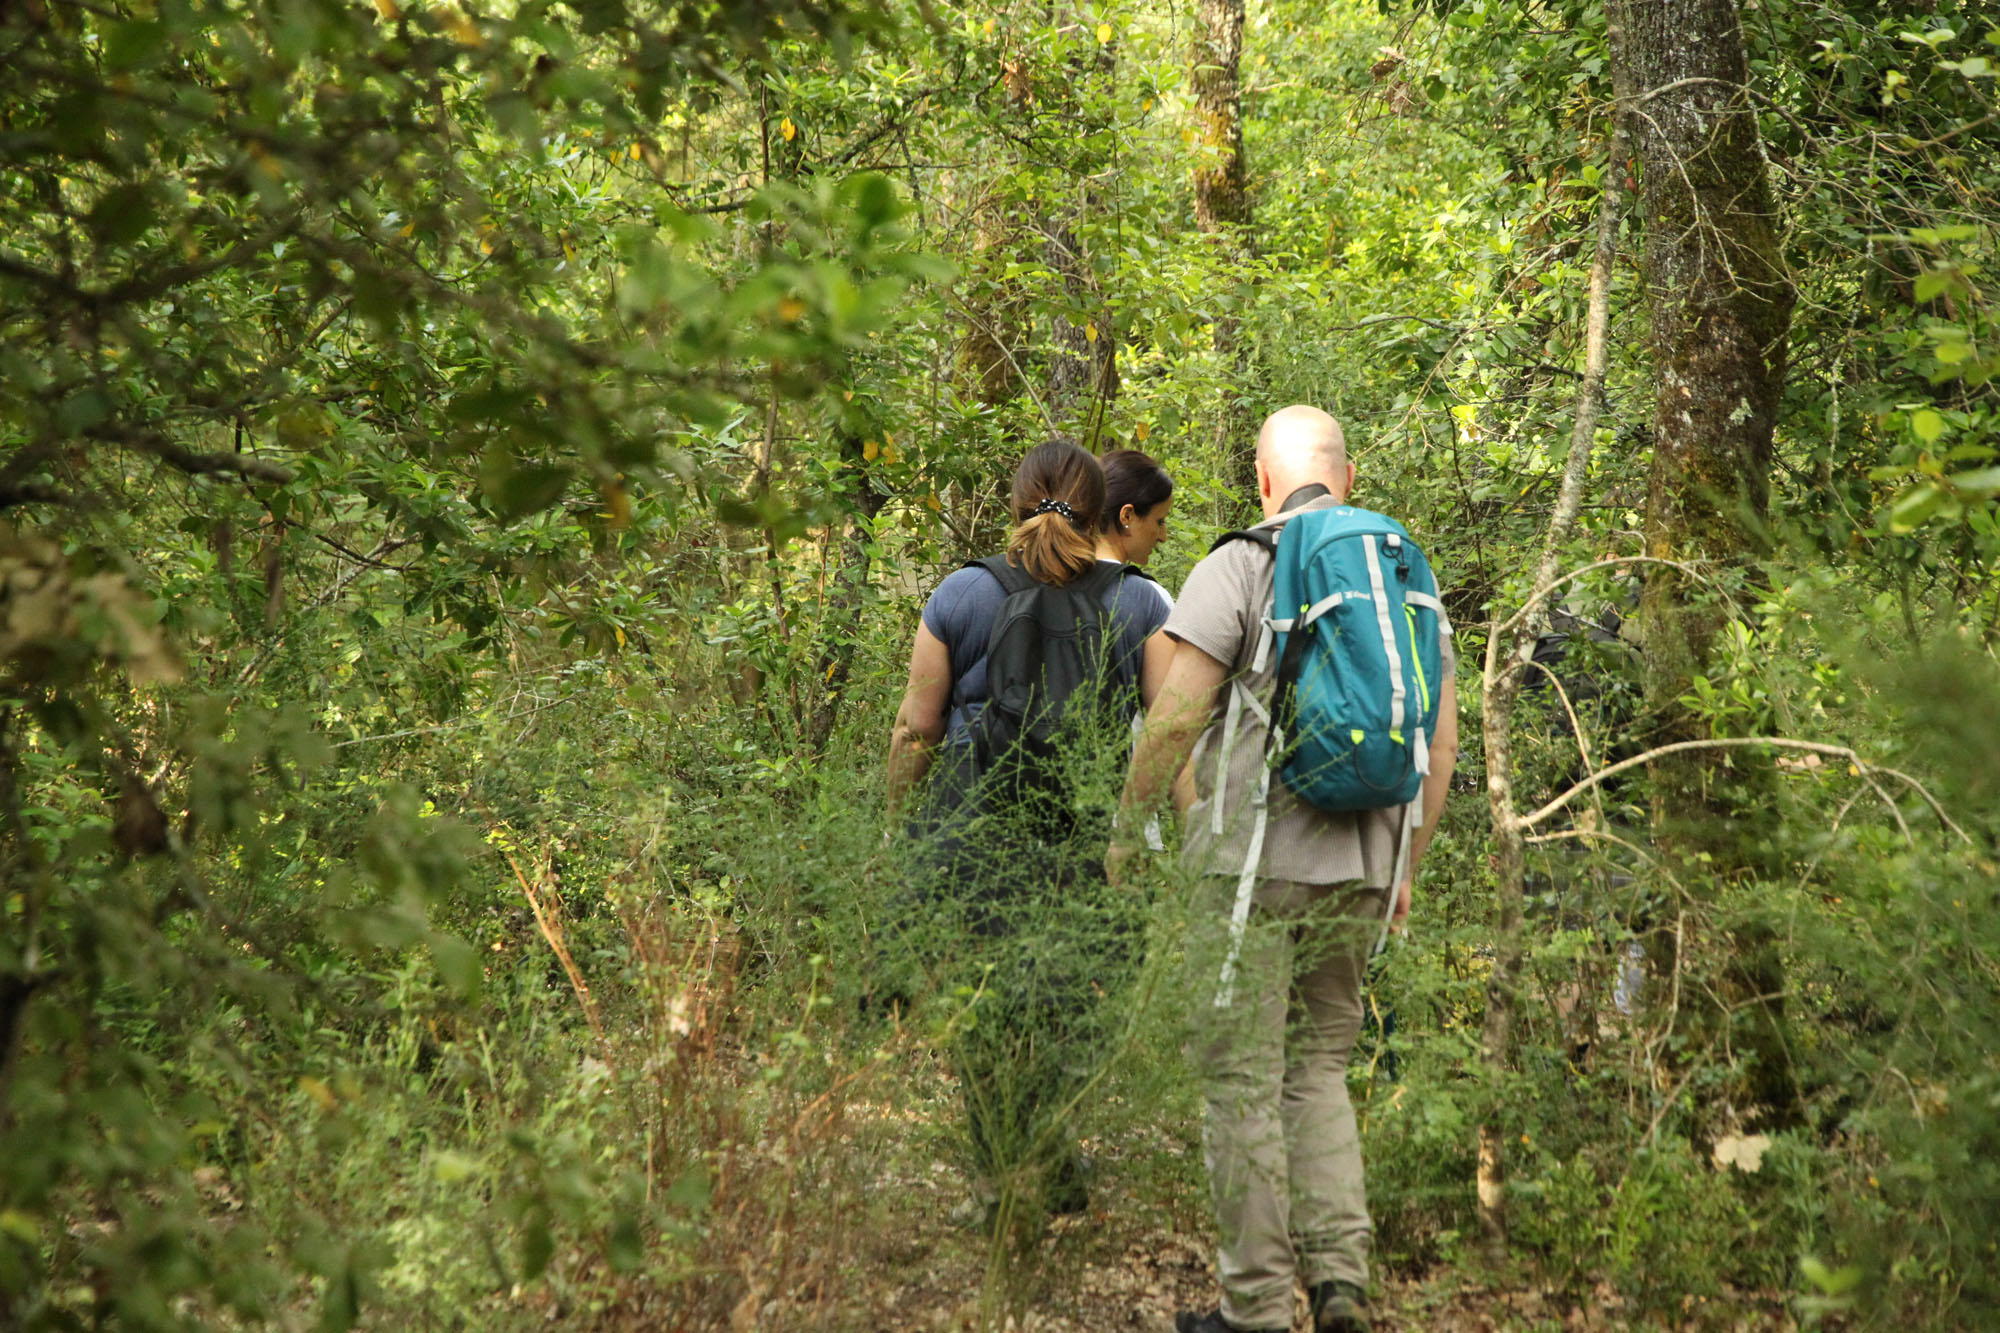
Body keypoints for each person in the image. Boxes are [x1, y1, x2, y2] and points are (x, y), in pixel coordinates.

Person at [1108, 406, 1460, 1333]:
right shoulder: (1405, 572)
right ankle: (1341, 1283)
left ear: (1264, 481)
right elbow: (1440, 743)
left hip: (1249, 874)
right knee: (1320, 1072)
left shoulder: (1241, 563)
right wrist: (1405, 865)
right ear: (1349, 476)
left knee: (1242, 1081)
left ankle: (1257, 1307)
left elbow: (1176, 717)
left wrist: (1128, 829)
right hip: (1364, 866)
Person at [885, 437, 1175, 1230]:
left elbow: (917, 729)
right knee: (1064, 1004)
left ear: (1015, 501)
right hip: (1080, 841)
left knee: (985, 1011)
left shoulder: (963, 593)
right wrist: (1167, 838)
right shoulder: (1140, 605)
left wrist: (900, 825)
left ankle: (1001, 1183)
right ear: (1100, 509)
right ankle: (1049, 1159)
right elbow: (1171, 728)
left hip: (973, 838)